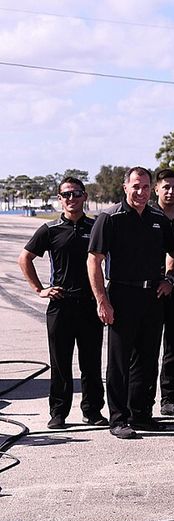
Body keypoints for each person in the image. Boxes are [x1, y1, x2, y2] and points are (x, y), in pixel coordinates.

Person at [87, 167, 174, 439]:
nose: (141, 192)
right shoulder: (110, 218)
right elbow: (94, 260)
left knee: (147, 359)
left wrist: (169, 278)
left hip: (152, 297)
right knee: (119, 361)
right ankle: (119, 418)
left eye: (146, 187)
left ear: (152, 189)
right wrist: (103, 300)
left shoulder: (158, 218)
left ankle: (141, 413)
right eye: (136, 186)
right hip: (121, 296)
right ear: (125, 187)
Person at [19, 177, 106, 429]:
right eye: (66, 195)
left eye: (76, 194)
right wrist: (40, 289)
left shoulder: (96, 227)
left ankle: (93, 411)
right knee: (60, 363)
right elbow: (24, 258)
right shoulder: (50, 229)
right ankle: (58, 413)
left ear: (84, 196)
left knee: (91, 363)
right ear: (60, 199)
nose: (71, 199)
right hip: (61, 304)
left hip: (90, 304)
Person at [150, 168, 174, 417]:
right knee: (147, 349)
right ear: (157, 190)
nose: (171, 192)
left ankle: (169, 398)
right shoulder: (146, 215)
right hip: (150, 291)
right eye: (166, 187)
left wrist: (172, 278)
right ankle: (142, 400)